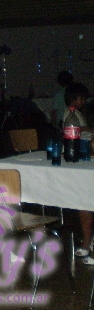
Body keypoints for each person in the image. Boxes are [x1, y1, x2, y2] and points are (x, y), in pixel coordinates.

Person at [60, 82, 94, 264]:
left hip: (80, 151)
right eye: (79, 98)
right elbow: (77, 130)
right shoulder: (70, 114)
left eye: (83, 99)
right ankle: (87, 240)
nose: (82, 102)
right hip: (74, 152)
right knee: (84, 193)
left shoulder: (79, 113)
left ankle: (88, 240)